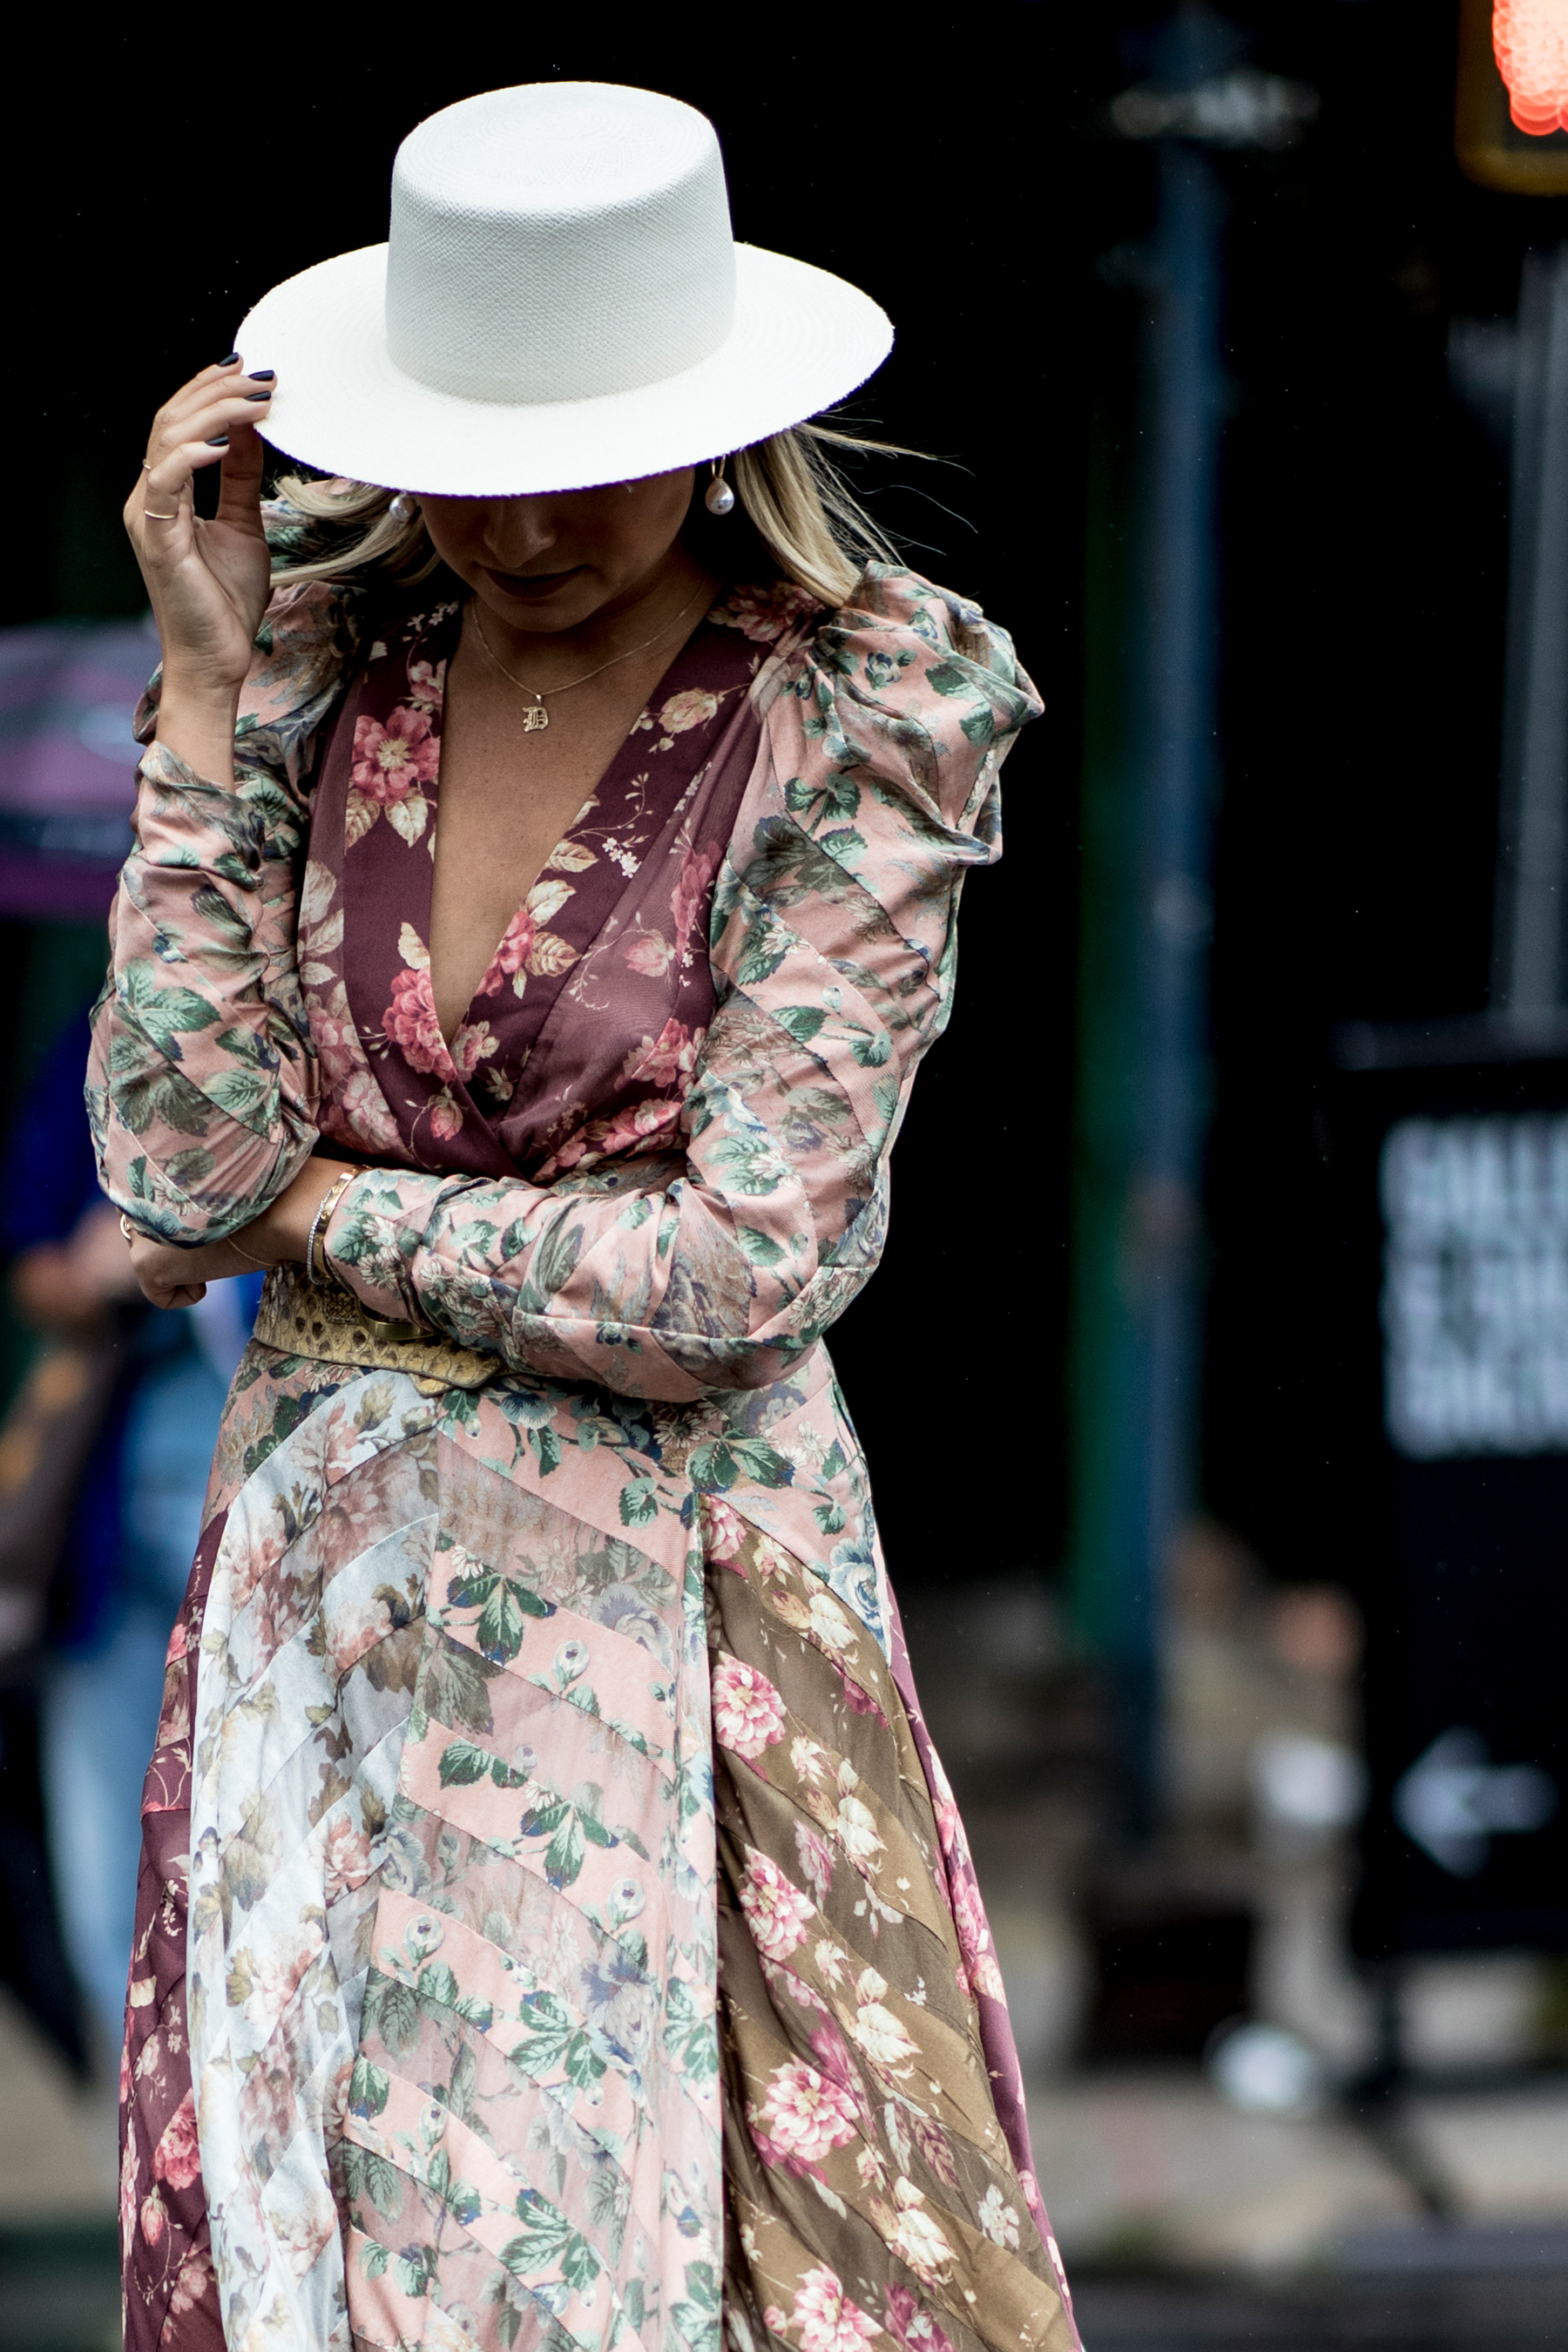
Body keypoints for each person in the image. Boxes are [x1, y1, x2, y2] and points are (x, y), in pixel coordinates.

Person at [91, 81, 1075, 2352]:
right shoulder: (317, 660)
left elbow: (741, 1273)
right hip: (324, 1605)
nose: (528, 521)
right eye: (478, 456)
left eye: (593, 455)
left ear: (717, 427)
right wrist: (207, 693)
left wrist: (320, 1213)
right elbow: (172, 1161)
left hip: (675, 1603)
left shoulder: (861, 697)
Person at [3, 1014, 259, 2063]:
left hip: (269, 1534)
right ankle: (136, 2155)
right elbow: (32, 1259)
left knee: (252, 1874)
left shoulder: (327, 1021)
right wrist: (102, 1266)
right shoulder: (108, 1035)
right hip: (107, 1542)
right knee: (111, 1890)